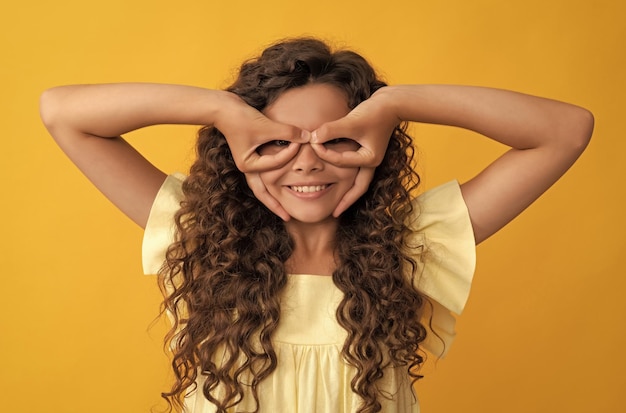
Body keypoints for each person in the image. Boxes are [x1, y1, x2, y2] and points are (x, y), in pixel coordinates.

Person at [39, 38, 593, 413]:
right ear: (238, 149)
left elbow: (566, 130)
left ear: (374, 146)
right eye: (276, 141)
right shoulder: (202, 235)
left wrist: (396, 102)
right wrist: (221, 110)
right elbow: (63, 112)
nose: (306, 162)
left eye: (337, 139)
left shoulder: (411, 246)